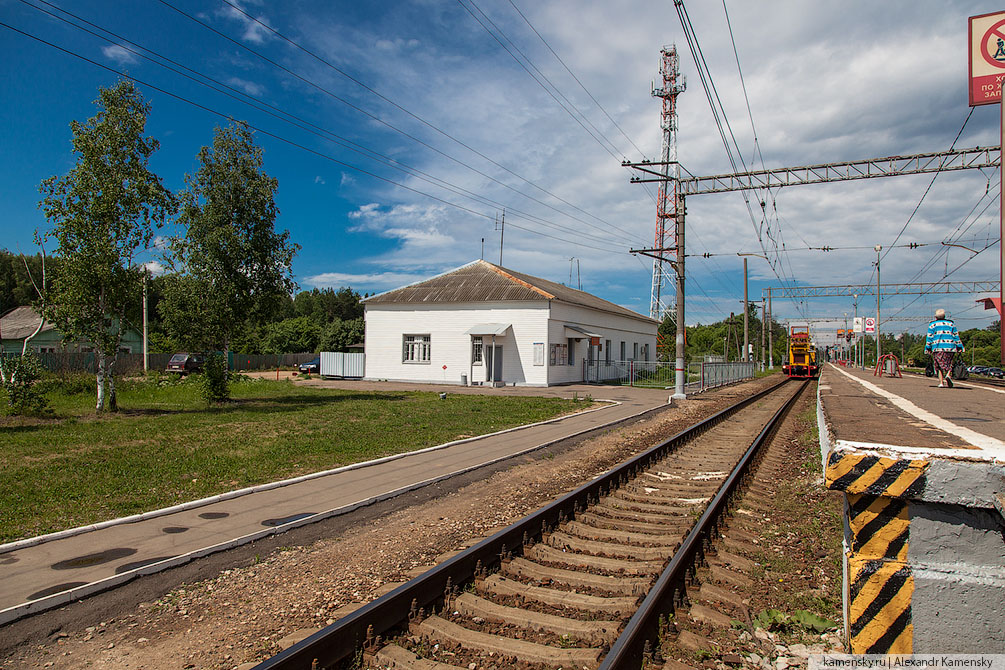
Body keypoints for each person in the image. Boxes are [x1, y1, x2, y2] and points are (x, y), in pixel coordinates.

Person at [924, 308, 964, 388]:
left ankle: (941, 383)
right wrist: (960, 346)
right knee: (949, 363)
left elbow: (929, 337)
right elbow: (956, 336)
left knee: (938, 365)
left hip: (937, 347)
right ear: (944, 316)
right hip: (950, 347)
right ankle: (948, 375)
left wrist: (928, 347)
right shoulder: (951, 324)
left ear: (936, 317)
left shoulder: (932, 325)